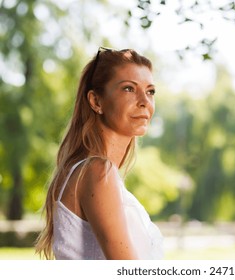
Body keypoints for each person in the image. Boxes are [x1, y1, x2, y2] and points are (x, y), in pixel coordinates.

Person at [35, 47, 163, 260]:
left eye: (150, 91)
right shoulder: (97, 171)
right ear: (96, 101)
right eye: (129, 89)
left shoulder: (93, 172)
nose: (144, 101)